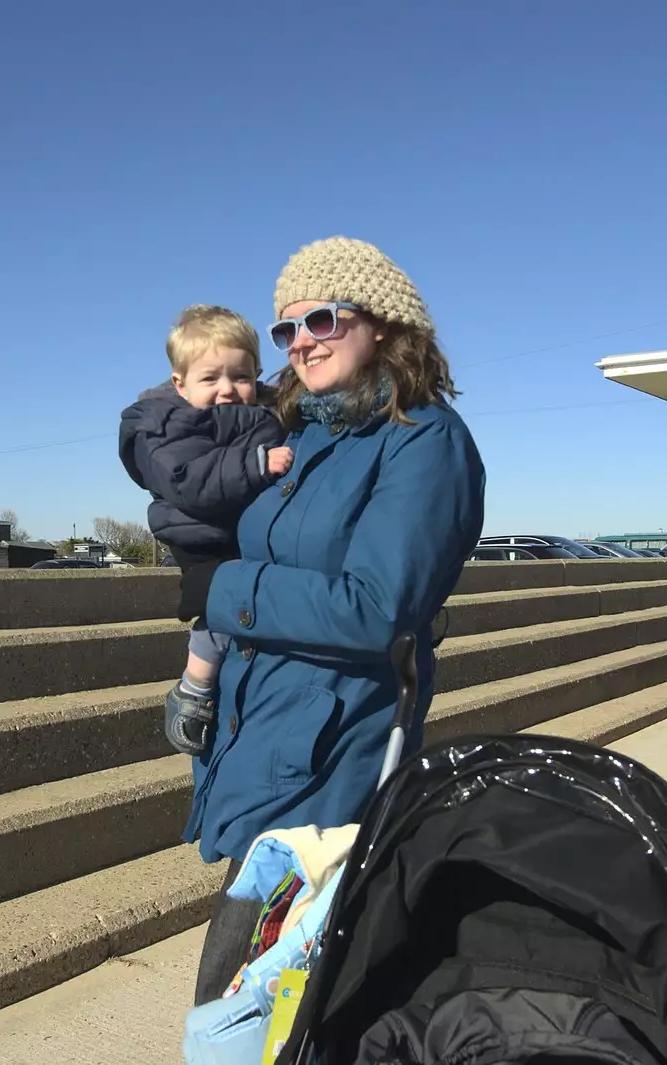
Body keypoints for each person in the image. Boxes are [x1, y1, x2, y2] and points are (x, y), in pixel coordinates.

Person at [178, 237, 486, 1004]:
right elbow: (164, 433)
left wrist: (221, 590)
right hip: (257, 729)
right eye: (286, 329)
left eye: (321, 317)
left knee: (245, 999)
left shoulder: (425, 440)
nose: (300, 341)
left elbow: (377, 609)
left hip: (333, 751)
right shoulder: (298, 432)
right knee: (257, 1000)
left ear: (380, 323)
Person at [118, 305, 293, 755]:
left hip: (240, 528)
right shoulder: (167, 422)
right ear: (181, 383)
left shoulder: (263, 411)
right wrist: (256, 464)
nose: (227, 390)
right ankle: (193, 688)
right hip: (201, 535)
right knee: (216, 614)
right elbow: (189, 480)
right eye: (211, 378)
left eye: (240, 377)